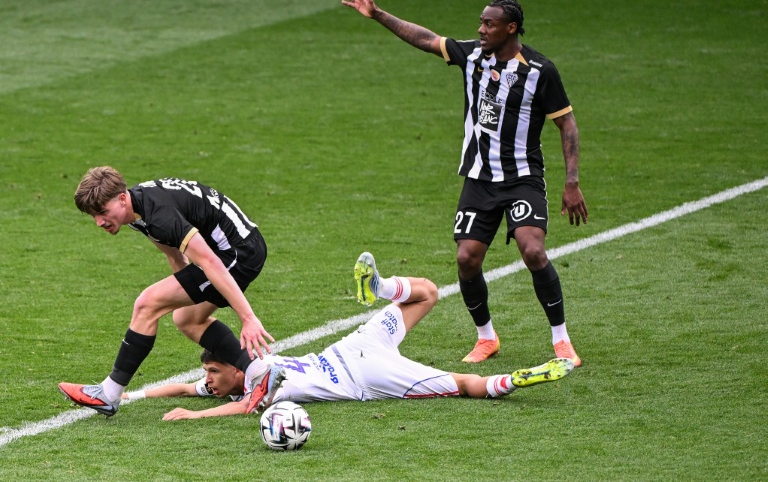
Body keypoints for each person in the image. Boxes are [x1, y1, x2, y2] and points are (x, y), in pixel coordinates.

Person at [340, 0, 588, 365]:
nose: (482, 29)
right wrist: (377, 13)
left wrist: (571, 182)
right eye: (481, 23)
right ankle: (486, 338)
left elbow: (567, 125)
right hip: (479, 178)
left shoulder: (540, 71)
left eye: (490, 24)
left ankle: (561, 340)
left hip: (522, 177)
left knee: (533, 250)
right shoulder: (472, 55)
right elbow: (424, 38)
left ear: (512, 28)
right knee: (467, 258)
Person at [124, 253, 574, 420]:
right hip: (354, 347)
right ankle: (380, 289)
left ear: (234, 370)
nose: (208, 381)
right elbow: (185, 386)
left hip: (367, 376)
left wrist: (191, 416)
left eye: (212, 371)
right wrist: (135, 398)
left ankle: (511, 382)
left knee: (457, 385)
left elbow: (239, 406)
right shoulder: (247, 372)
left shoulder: (260, 381)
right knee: (427, 294)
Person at [59, 166, 279, 417]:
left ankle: (108, 394)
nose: (99, 222)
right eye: (93, 216)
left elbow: (210, 262)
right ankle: (259, 372)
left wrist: (248, 318)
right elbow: (176, 257)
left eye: (102, 212)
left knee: (147, 303)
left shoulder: (159, 215)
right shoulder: (139, 210)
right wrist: (184, 291)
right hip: (235, 247)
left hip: (237, 252)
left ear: (122, 199)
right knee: (186, 318)